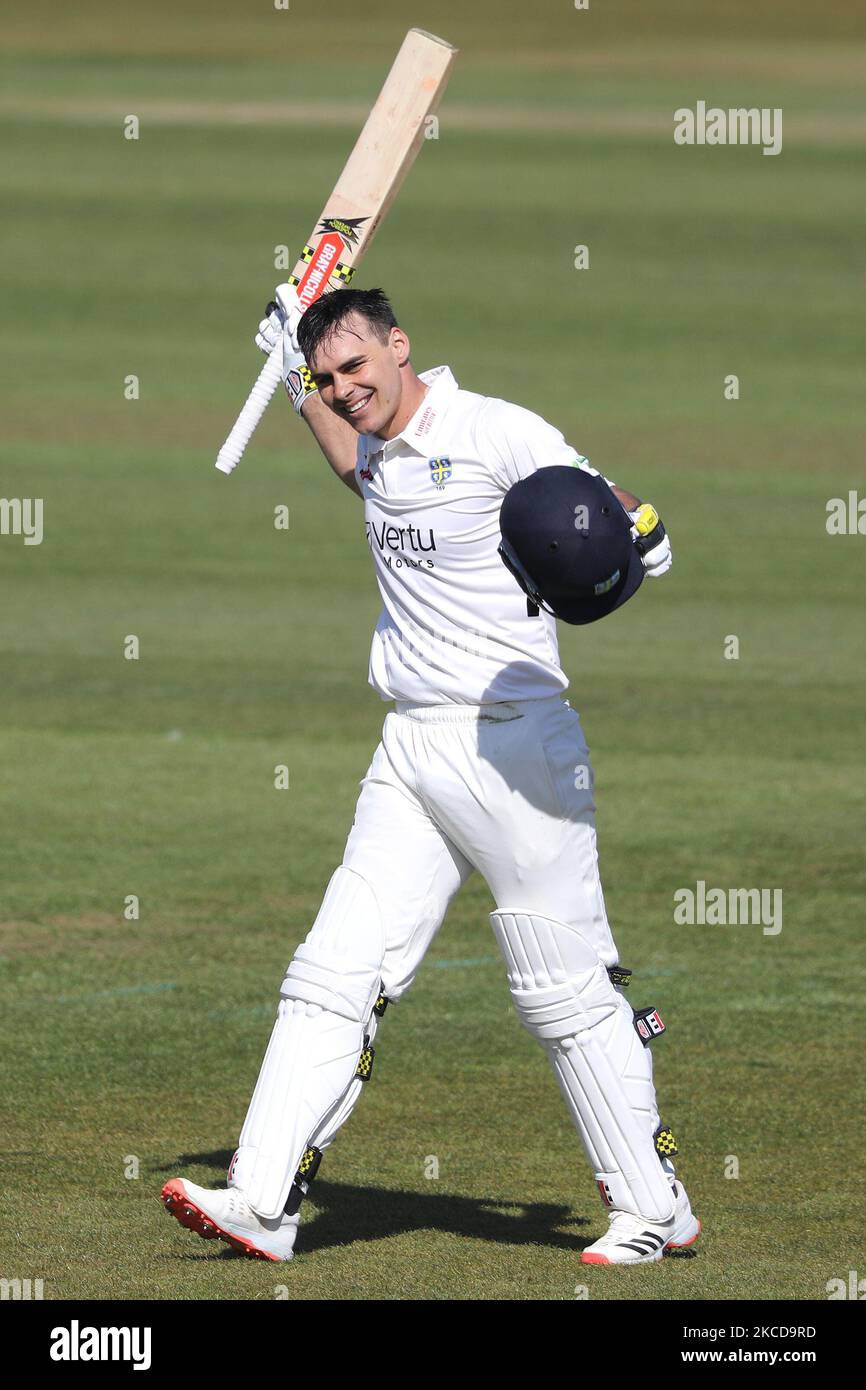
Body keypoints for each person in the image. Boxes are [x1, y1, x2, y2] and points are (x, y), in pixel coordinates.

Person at [162, 285, 700, 1267]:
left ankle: (652, 1209)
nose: (345, 389)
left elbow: (606, 510)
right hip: (408, 745)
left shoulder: (494, 430)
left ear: (400, 346)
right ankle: (262, 1199)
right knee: (333, 968)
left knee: (561, 987)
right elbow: (358, 468)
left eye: (355, 368)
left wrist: (643, 528)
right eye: (329, 376)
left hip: (515, 743)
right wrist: (291, 371)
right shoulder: (371, 440)